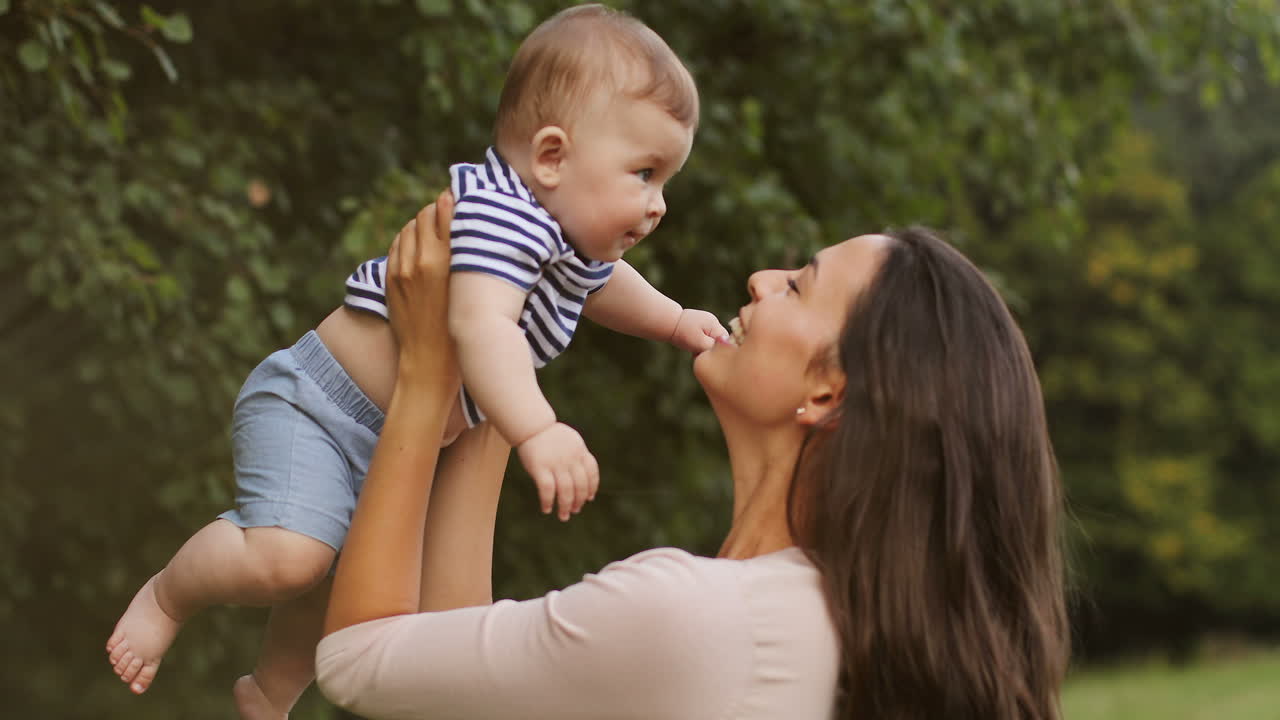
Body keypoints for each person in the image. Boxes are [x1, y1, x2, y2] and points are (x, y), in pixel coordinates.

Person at [105, 4, 723, 717]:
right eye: (644, 173)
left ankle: (271, 692)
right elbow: (481, 324)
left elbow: (604, 287)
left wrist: (675, 321)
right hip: (322, 405)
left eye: (665, 181)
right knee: (288, 558)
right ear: (551, 157)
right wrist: (537, 428)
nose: (658, 205)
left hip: (394, 435)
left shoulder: (564, 240)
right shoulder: (503, 217)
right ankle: (166, 595)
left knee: (339, 580)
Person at [315, 195, 1071, 719]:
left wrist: (421, 377)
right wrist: (493, 364)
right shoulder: (820, 620)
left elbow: (357, 661)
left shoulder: (697, 617)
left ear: (826, 391)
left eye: (798, 287)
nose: (760, 281)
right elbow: (459, 687)